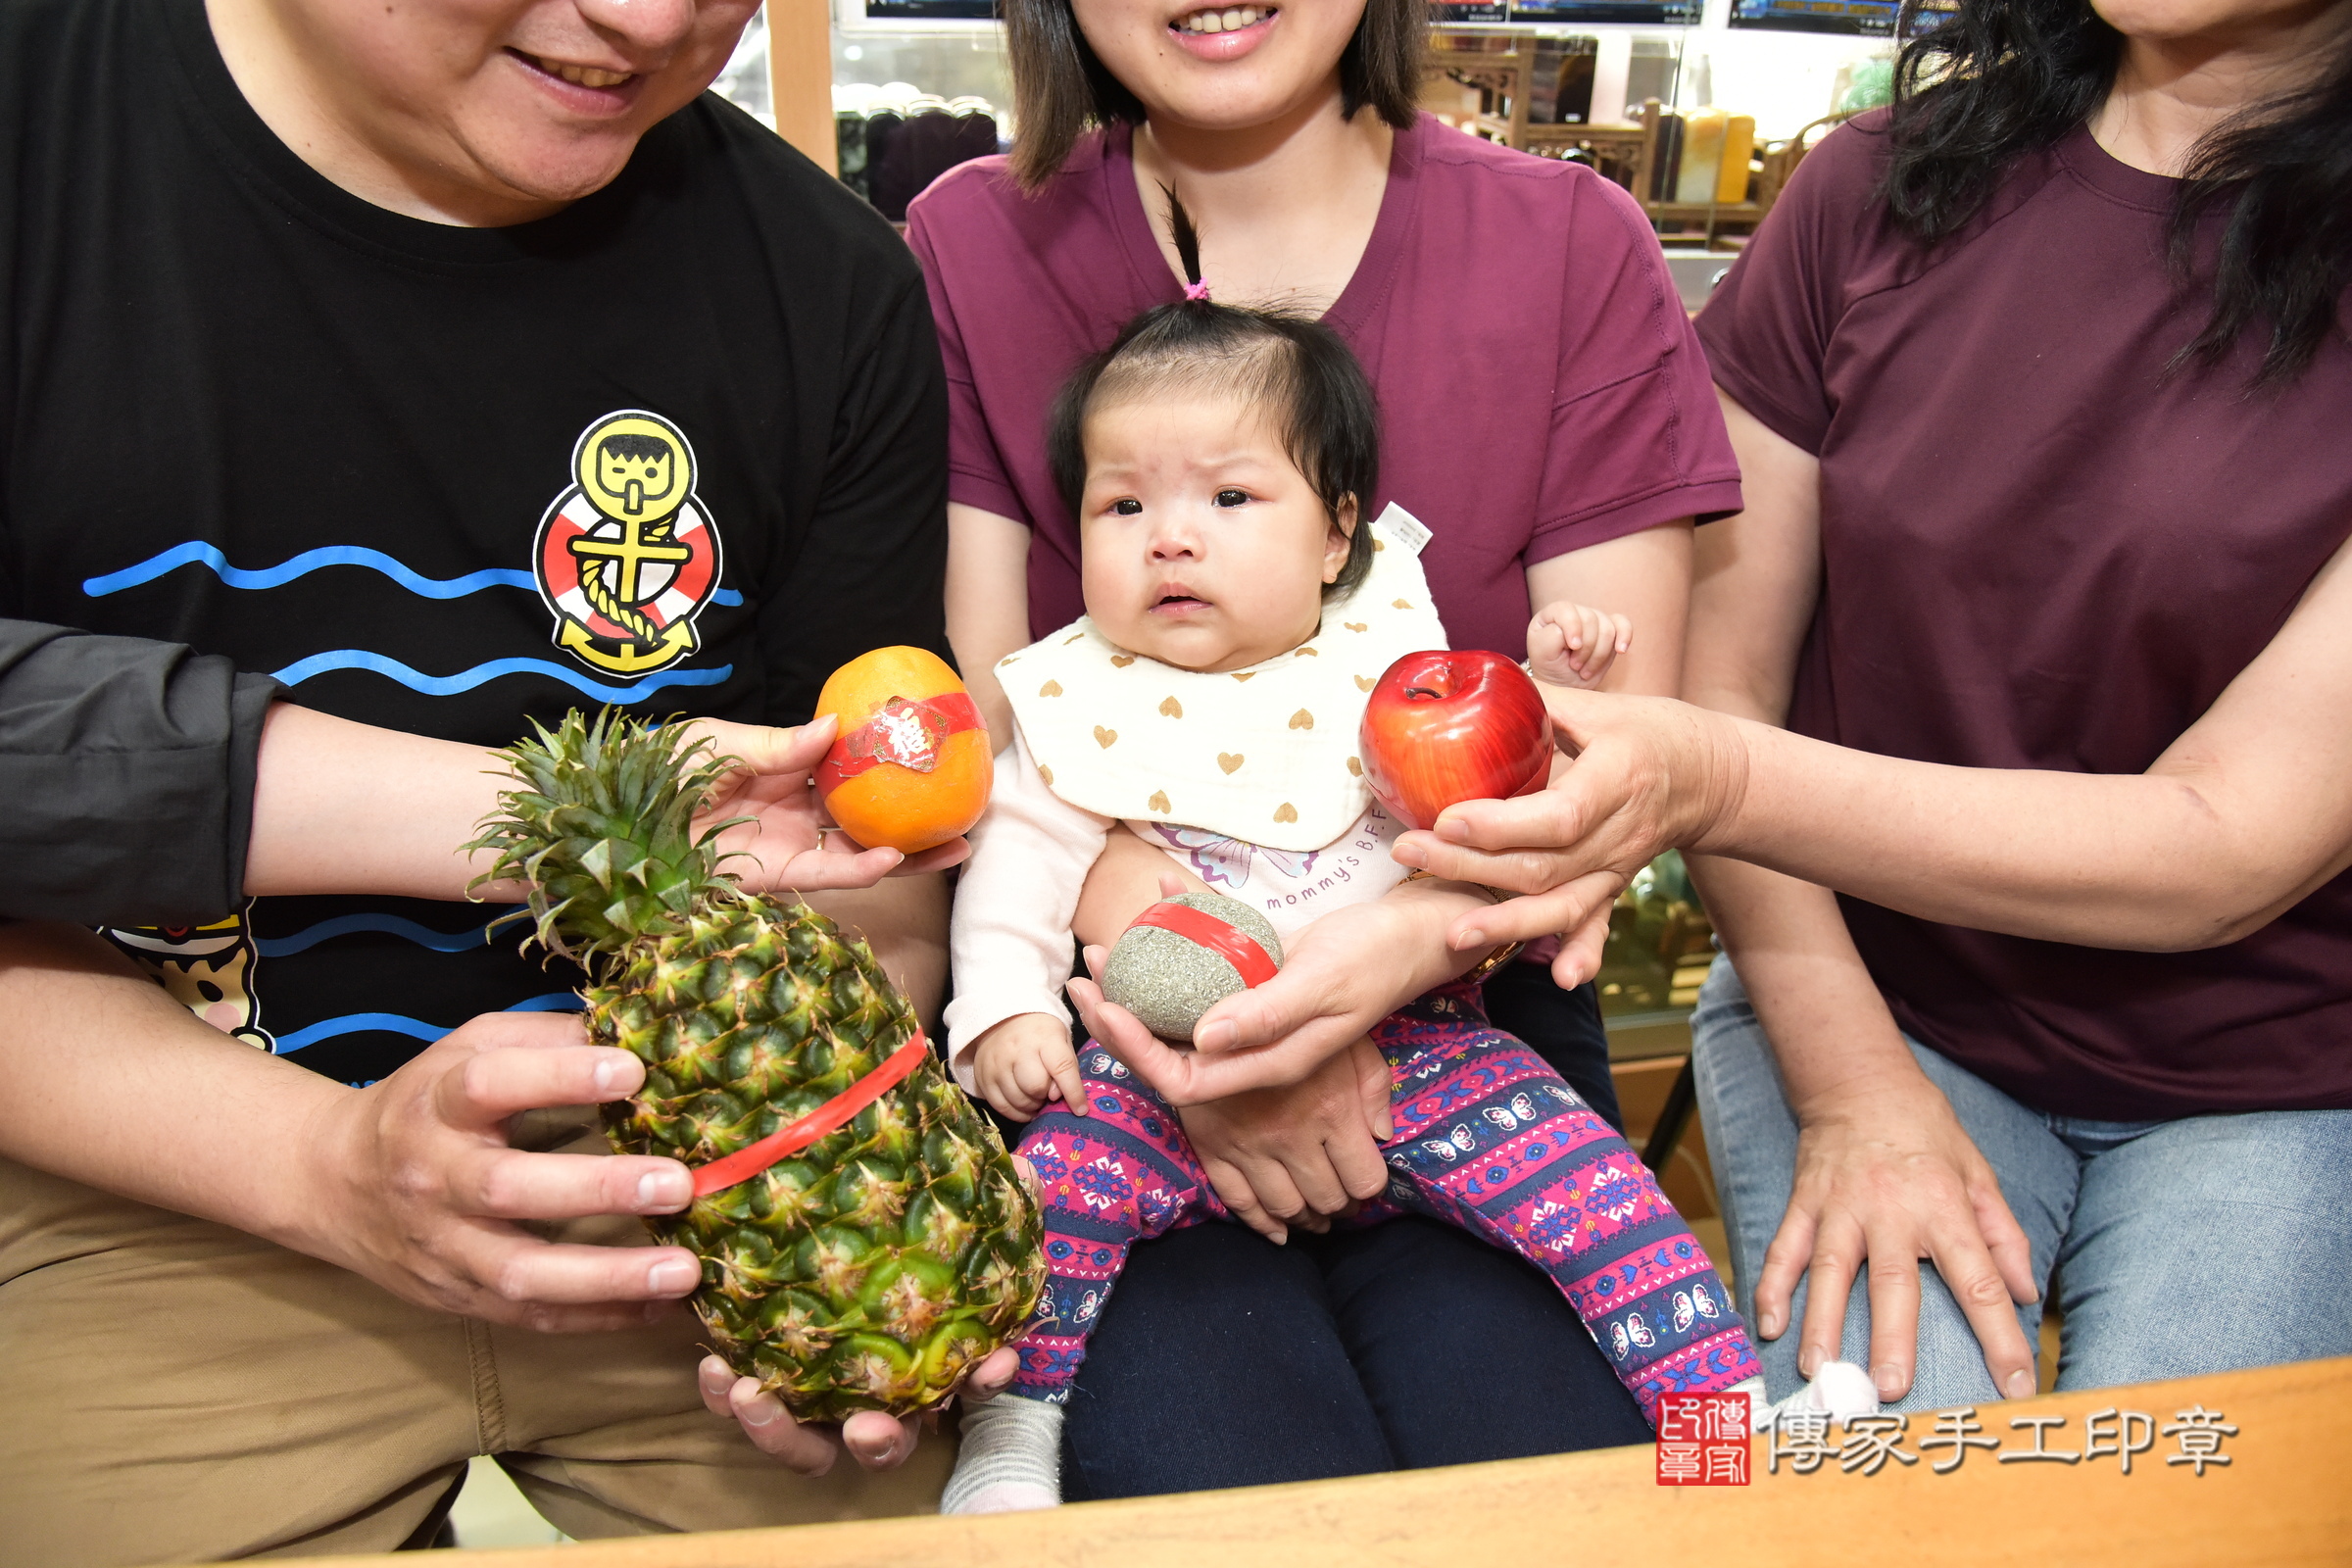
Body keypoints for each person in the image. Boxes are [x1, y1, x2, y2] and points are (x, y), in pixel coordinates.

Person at [0, 0, 990, 1553]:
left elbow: (871, 859)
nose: (656, 20)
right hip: (142, 1174)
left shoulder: (834, 281)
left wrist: (826, 1174)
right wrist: (314, 1162)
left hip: (693, 1203)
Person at [1380, 0, 2352, 1414]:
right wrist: (1850, 1086)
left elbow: (2230, 841)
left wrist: (1713, 778)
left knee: (2166, 1509)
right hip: (1864, 998)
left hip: (2277, 1072)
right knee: (1891, 1492)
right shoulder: (1877, 187)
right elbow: (1729, 671)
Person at [906, 0, 1739, 1493]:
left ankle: (1738, 1420)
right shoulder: (972, 241)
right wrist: (1199, 992)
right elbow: (1003, 738)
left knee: (1548, 1479)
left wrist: (1356, 979)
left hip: (1463, 998)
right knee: (1215, 1482)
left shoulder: (1571, 241)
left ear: (1344, 528)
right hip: (1115, 1021)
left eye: (1234, 502)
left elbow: (1593, 772)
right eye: (1126, 509)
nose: (1174, 538)